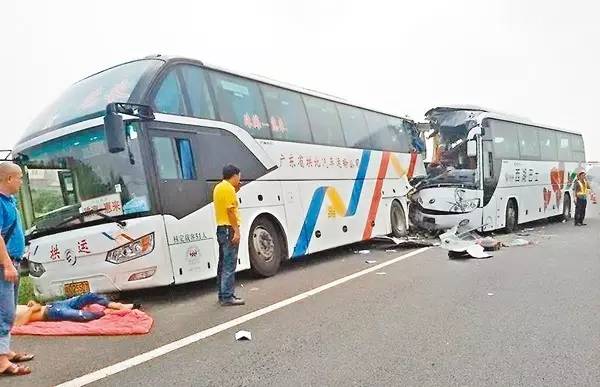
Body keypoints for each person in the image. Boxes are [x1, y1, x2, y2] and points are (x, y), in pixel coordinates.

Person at [0, 162, 32, 376]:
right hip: (5, 264)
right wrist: (8, 264)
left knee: (9, 310)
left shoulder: (9, 202)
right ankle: (2, 361)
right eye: (19, 177)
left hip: (14, 261)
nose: (21, 182)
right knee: (5, 312)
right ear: (8, 179)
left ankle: (5, 351)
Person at [213, 164, 244, 306]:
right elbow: (231, 212)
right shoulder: (228, 189)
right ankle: (228, 296)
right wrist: (236, 231)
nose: (240, 179)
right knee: (230, 264)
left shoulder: (219, 187)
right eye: (239, 176)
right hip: (229, 229)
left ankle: (222, 294)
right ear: (235, 175)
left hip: (221, 228)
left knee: (223, 263)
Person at [14, 292, 139, 326]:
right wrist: (31, 310)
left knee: (89, 296)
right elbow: (18, 325)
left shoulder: (8, 305)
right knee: (84, 316)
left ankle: (115, 305)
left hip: (53, 305)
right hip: (51, 313)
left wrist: (31, 305)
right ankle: (107, 312)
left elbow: (30, 306)